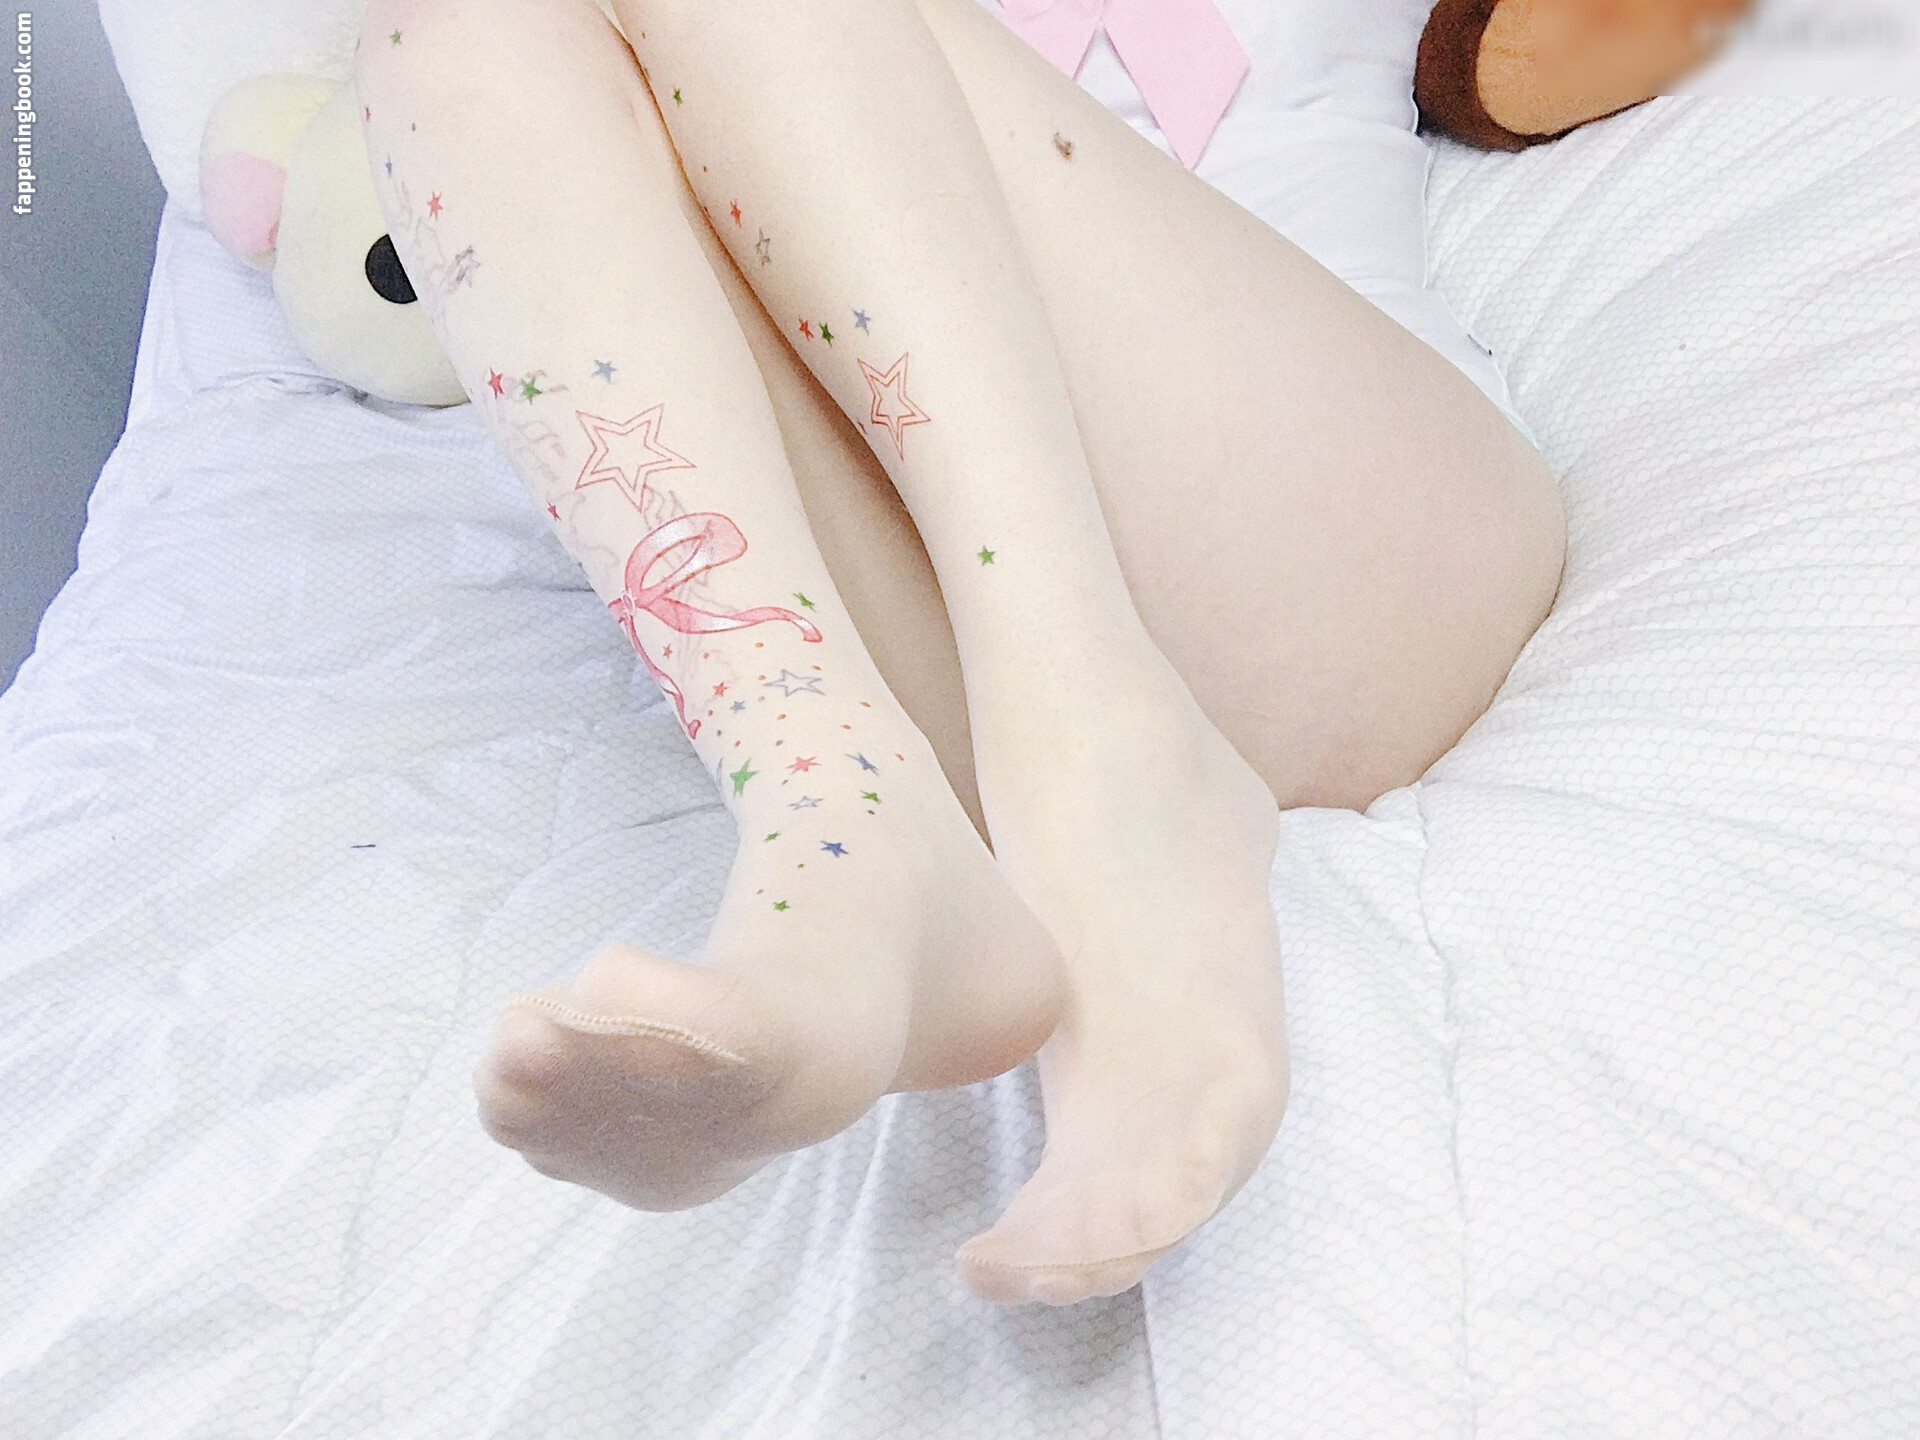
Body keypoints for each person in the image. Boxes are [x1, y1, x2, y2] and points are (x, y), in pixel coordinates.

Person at [355, 0, 1565, 1307]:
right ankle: (842, 815)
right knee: (449, 24)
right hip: (951, 702)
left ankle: (1100, 749)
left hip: (1347, 537)